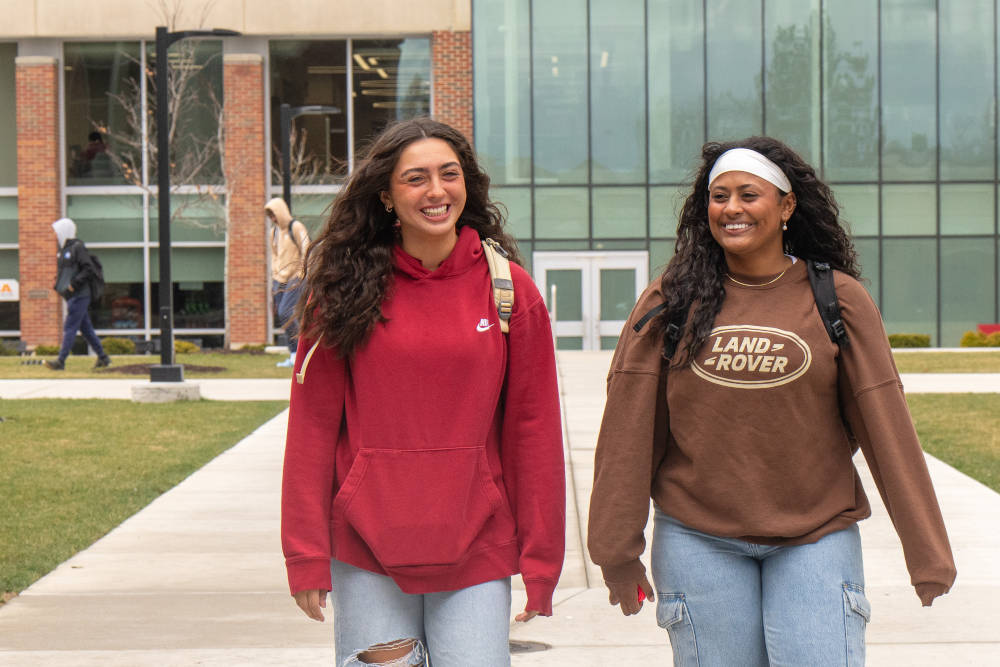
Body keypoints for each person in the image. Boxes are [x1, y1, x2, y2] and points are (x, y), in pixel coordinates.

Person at [587, 137, 956, 666]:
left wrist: (927, 551)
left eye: (747, 194)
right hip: (698, 538)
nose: (731, 208)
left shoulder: (836, 298)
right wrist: (615, 550)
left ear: (786, 206)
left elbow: (884, 421)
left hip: (815, 536)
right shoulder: (673, 298)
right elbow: (629, 428)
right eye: (719, 197)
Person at [281, 117, 565, 667]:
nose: (436, 191)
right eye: (416, 178)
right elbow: (312, 426)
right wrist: (306, 553)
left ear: (467, 186)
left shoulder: (509, 291)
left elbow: (533, 431)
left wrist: (542, 560)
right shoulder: (340, 293)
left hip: (476, 545)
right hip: (366, 548)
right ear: (386, 195)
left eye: (449, 174)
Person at [46, 217, 111, 370]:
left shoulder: (77, 247)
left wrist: (73, 284)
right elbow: (67, 271)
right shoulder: (64, 250)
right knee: (86, 329)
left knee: (70, 327)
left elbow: (88, 269)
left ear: (65, 231)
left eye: (57, 232)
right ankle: (103, 358)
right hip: (73, 296)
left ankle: (60, 361)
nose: (55, 235)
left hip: (80, 294)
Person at [266, 197, 310, 367]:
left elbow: (306, 249)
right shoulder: (274, 232)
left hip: (295, 279)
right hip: (279, 280)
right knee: (283, 317)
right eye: (270, 216)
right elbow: (274, 255)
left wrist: (301, 273)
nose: (273, 219)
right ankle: (293, 355)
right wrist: (274, 274)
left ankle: (300, 353)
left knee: (287, 312)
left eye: (274, 215)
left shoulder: (296, 227)